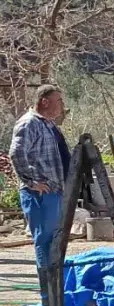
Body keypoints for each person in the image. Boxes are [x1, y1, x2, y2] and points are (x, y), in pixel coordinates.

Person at [9, 85, 72, 275]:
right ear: (44, 101)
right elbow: (16, 154)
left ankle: (56, 292)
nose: (62, 105)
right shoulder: (29, 123)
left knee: (55, 241)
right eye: (58, 100)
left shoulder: (48, 123)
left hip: (55, 191)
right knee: (44, 242)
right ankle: (48, 295)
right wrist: (32, 181)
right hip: (40, 194)